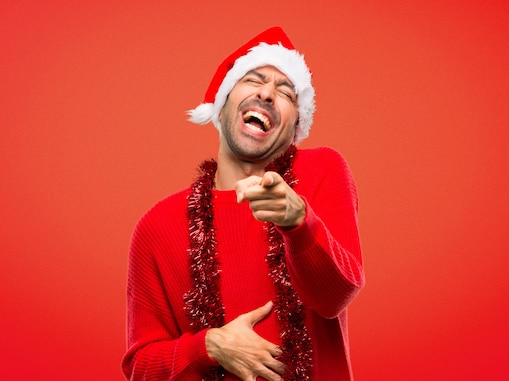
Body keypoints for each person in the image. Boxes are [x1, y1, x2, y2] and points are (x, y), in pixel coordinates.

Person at [122, 26, 365, 381]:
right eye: (253, 80)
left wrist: (300, 224)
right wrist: (210, 347)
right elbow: (140, 368)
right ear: (221, 108)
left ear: (296, 125)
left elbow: (336, 296)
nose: (267, 93)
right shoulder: (157, 226)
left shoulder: (322, 172)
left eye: (286, 91)